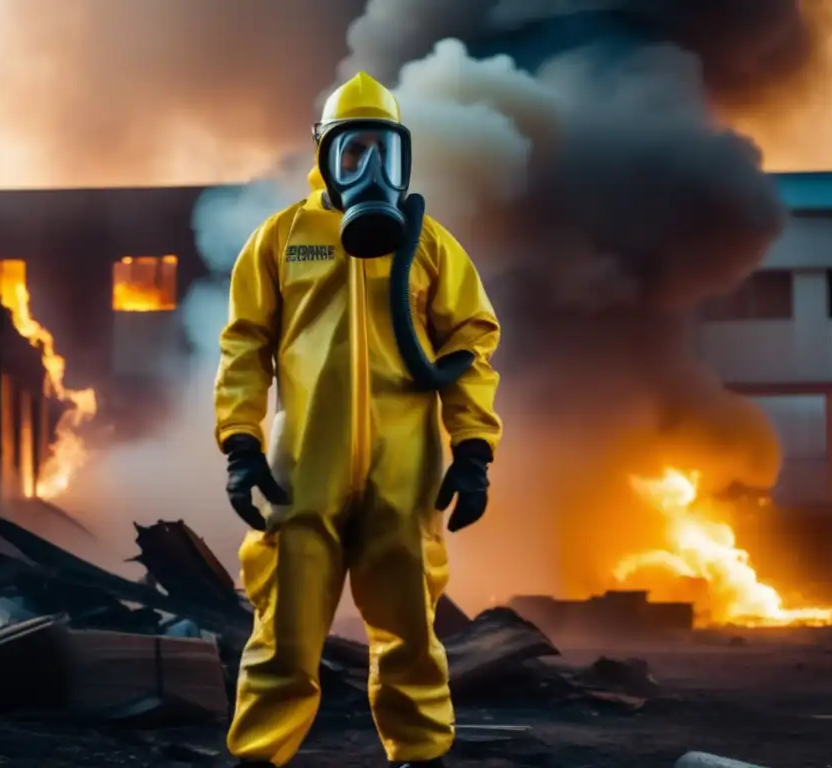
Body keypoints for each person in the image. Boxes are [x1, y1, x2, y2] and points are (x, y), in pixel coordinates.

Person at [214, 71, 502, 768]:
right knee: (284, 633)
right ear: (325, 156)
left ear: (403, 159)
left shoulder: (427, 243)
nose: (367, 169)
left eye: (382, 152)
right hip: (301, 470)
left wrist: (473, 449)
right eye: (351, 152)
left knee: (409, 630)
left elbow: (470, 343)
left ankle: (419, 755)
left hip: (404, 472)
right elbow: (245, 346)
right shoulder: (281, 240)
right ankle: (258, 757)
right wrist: (241, 445)